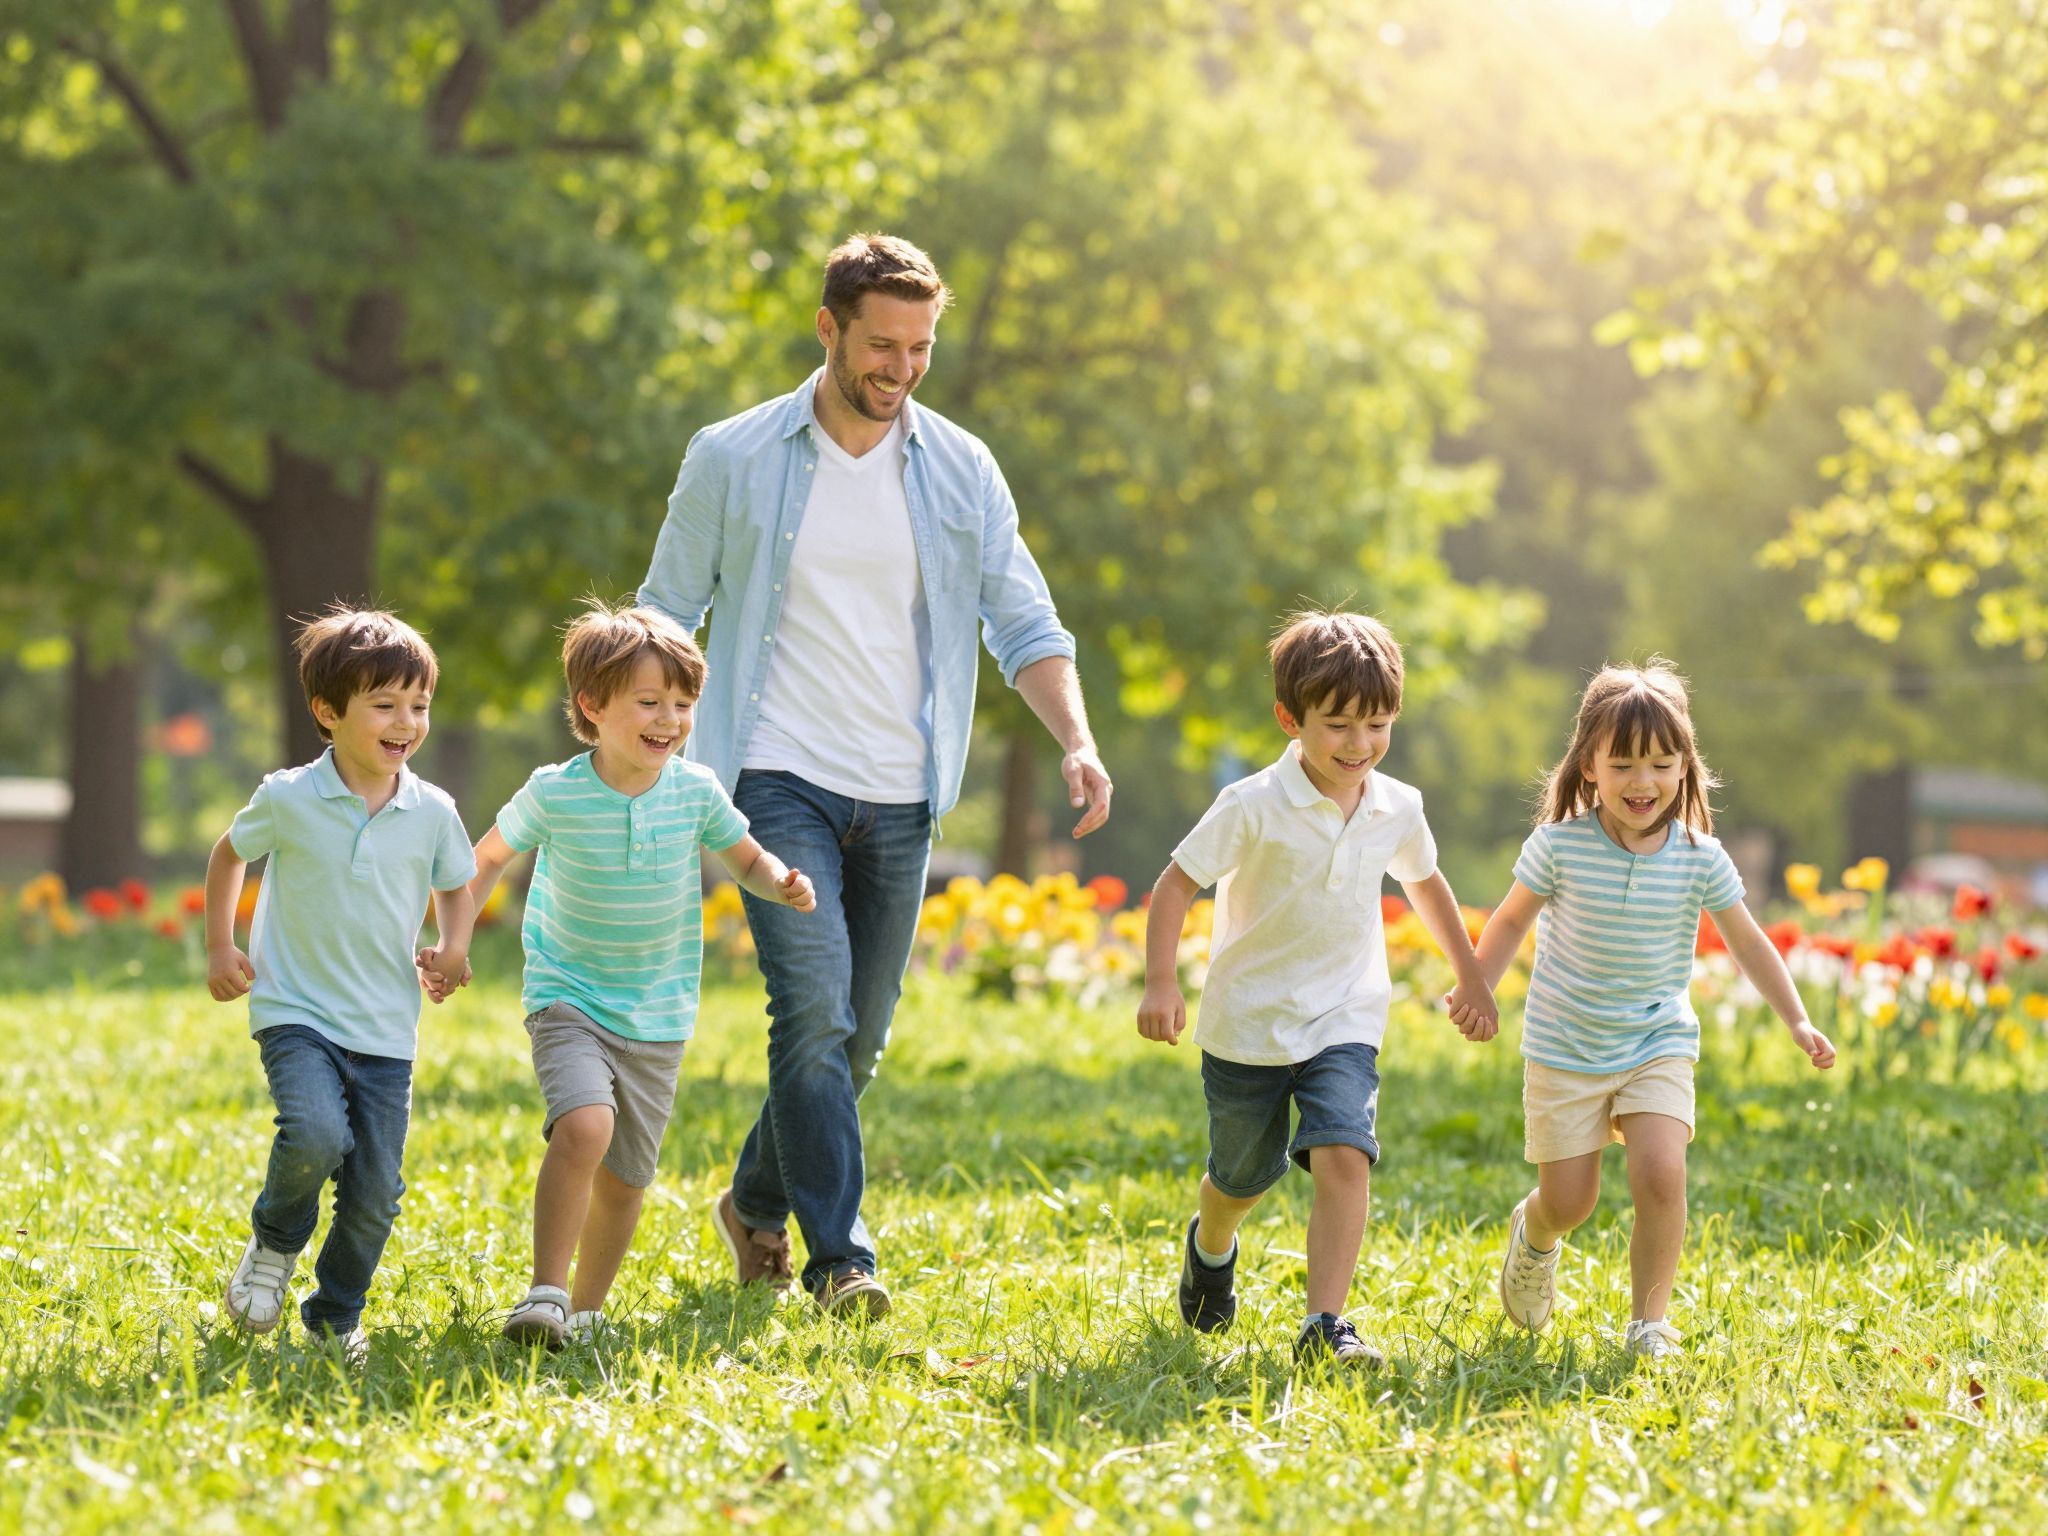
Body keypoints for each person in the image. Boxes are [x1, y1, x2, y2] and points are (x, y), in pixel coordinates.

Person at [639, 232, 1111, 1318]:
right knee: (809, 1014)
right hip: (775, 775)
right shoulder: (732, 455)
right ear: (827, 329)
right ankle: (839, 1258)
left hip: (902, 790)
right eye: (880, 345)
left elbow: (1023, 620)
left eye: (919, 348)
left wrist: (1075, 740)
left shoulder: (959, 467)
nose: (898, 368)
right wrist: (646, 751)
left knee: (857, 1037)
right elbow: (664, 610)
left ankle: (752, 1199)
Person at [435, 603, 815, 1348]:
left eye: (682, 703)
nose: (669, 719)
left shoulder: (696, 791)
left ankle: (584, 1312)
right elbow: (483, 859)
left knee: (627, 1180)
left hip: (659, 1013)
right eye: (649, 702)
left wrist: (782, 881)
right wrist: (453, 941)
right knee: (584, 1128)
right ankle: (544, 1294)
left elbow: (748, 860)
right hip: (568, 995)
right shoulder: (556, 790)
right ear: (593, 706)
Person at [1137, 611, 1497, 1365]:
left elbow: (1426, 885)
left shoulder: (1398, 806)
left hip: (1346, 1015)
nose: (1359, 745)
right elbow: (1175, 886)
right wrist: (1161, 982)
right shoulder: (1251, 804)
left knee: (1345, 1151)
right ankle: (1212, 1243)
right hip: (1248, 1023)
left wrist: (1472, 974)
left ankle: (1324, 1324)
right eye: (1338, 725)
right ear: (1289, 720)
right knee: (1241, 1177)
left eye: (1377, 724)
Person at [1461, 659, 1837, 1361]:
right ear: (1590, 766)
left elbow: (1749, 943)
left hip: (1656, 1040)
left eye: (1661, 764)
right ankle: (1536, 1235)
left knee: (1662, 1171)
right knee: (1570, 1201)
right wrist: (1479, 983)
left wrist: (1797, 1018)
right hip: (1565, 1044)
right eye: (1625, 763)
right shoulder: (1561, 847)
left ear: (1685, 768)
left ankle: (1647, 1324)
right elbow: (1510, 922)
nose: (1644, 783)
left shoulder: (1701, 857)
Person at [204, 607, 478, 1355]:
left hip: (387, 1028)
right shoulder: (289, 796)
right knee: (316, 1133)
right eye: (384, 704)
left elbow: (458, 881)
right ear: (328, 712)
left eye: (418, 705)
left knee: (375, 1196)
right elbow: (231, 854)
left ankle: (335, 1318)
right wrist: (221, 946)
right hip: (296, 1009)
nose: (406, 721)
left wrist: (452, 946)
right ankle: (273, 1242)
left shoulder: (432, 810)